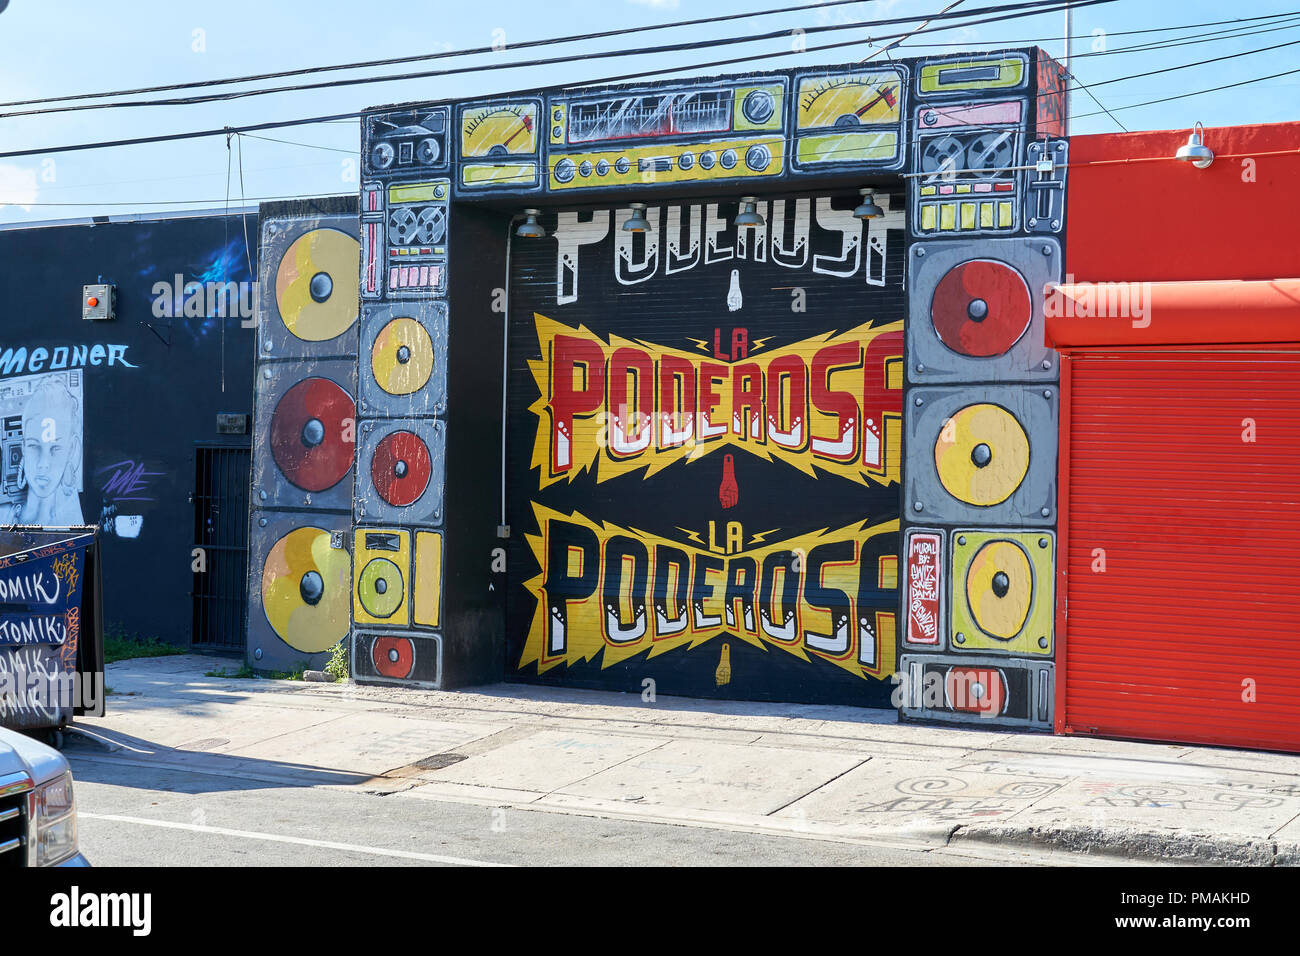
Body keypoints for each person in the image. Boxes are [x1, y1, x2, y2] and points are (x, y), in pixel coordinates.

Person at [0, 376, 84, 526]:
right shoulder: (4, 515)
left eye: (55, 448)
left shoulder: (75, 516)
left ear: (71, 449)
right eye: (34, 446)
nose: (43, 464)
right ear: (23, 447)